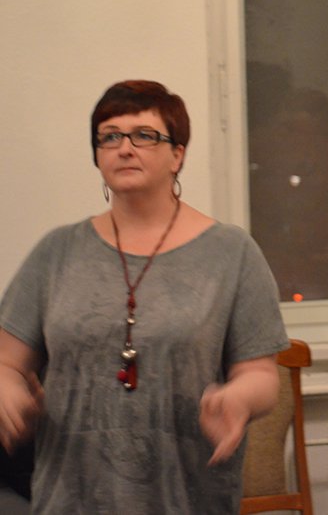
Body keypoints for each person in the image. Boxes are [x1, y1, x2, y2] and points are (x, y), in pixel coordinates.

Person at [0, 80, 290, 513]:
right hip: (69, 499)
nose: (124, 148)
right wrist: (7, 387)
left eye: (144, 135)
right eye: (109, 136)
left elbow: (262, 376)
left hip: (185, 497)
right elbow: (7, 361)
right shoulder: (56, 251)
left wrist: (239, 397)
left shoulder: (232, 252)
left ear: (178, 155)